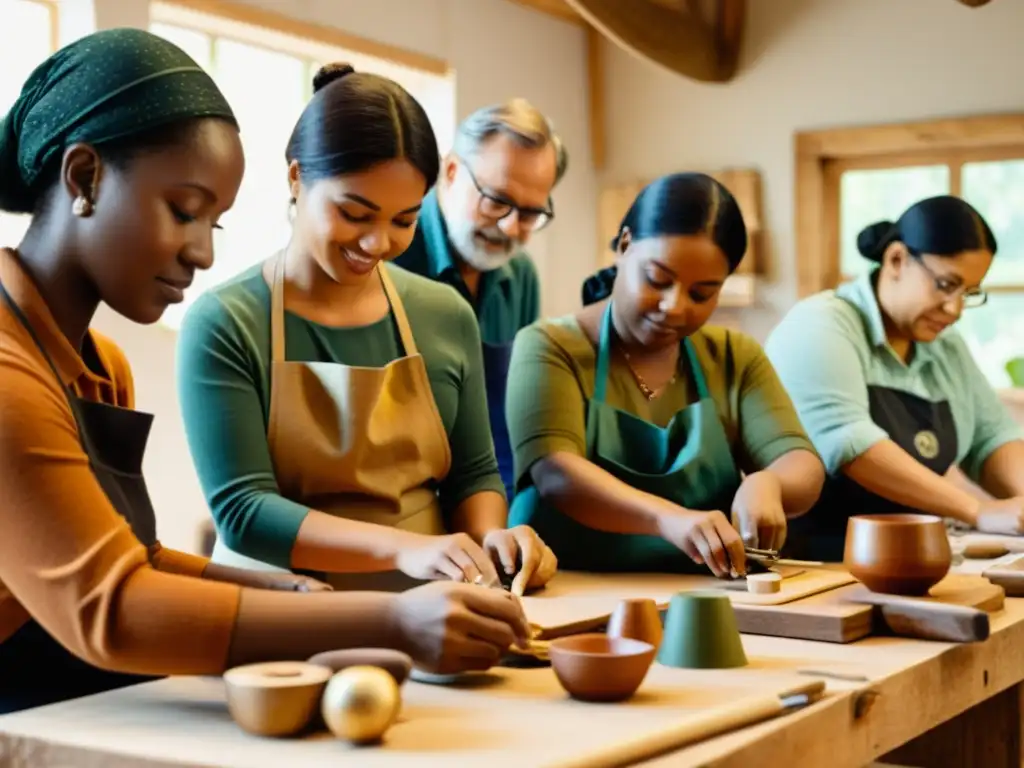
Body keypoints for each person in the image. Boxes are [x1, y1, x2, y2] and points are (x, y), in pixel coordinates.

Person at [0, 29, 530, 714]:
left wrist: (287, 593)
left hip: (84, 691)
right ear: (84, 178)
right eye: (183, 211)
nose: (202, 254)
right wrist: (387, 620)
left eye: (214, 224)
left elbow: (137, 558)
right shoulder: (11, 376)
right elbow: (110, 607)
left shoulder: (102, 367)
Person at [176, 65, 557, 596]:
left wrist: (494, 539)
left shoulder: (444, 313)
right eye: (355, 213)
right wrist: (406, 547)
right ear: (295, 178)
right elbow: (244, 510)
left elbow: (473, 475)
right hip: (277, 613)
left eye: (404, 221)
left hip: (432, 605)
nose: (378, 243)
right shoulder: (225, 321)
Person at [505, 173, 824, 576]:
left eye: (701, 293)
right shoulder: (550, 345)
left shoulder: (734, 356)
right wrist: (667, 520)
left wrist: (770, 483)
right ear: (623, 246)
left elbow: (801, 462)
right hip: (564, 585)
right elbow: (556, 473)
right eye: (658, 280)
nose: (674, 307)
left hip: (700, 594)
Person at [765, 196, 1024, 561]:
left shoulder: (946, 347)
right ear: (897, 259)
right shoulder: (820, 325)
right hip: (815, 567)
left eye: (968, 292)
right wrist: (976, 510)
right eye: (946, 285)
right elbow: (850, 444)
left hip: (912, 559)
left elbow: (992, 437)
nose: (955, 309)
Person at [393, 99, 567, 500]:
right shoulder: (391, 254)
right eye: (497, 200)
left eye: (529, 213)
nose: (509, 226)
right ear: (452, 172)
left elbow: (512, 415)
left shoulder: (521, 278)